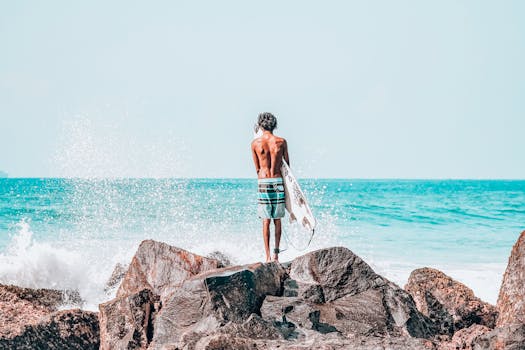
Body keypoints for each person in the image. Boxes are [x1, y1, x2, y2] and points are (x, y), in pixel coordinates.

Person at [251, 112, 289, 262]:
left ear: (260, 125)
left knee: (265, 220)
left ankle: (267, 257)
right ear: (275, 125)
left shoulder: (255, 144)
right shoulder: (281, 142)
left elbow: (257, 168)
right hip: (278, 181)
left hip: (263, 183)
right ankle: (276, 256)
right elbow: (287, 167)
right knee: (277, 220)